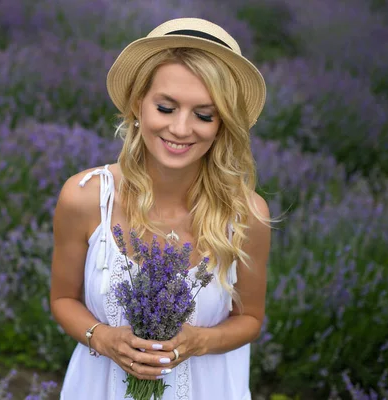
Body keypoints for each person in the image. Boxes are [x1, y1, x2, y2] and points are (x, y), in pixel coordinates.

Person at [50, 17, 273, 400]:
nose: (181, 129)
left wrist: (200, 341)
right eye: (166, 107)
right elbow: (62, 299)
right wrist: (102, 338)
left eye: (205, 115)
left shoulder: (246, 214)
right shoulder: (86, 197)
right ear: (138, 105)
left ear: (223, 124)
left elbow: (249, 319)